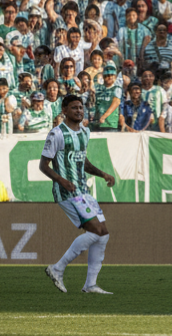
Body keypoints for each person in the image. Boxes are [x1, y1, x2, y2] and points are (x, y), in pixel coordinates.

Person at [40, 95, 117, 294]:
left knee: (103, 235)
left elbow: (83, 161)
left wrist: (102, 174)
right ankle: (57, 268)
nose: (79, 111)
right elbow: (43, 166)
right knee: (95, 231)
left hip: (84, 190)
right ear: (64, 110)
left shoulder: (84, 132)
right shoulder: (56, 134)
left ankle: (90, 285)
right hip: (67, 192)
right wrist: (62, 180)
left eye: (81, 108)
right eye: (74, 108)